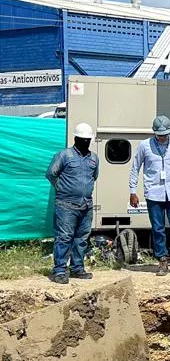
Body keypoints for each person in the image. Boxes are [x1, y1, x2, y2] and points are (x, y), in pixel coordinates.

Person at [128, 115, 170, 276]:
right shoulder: (145, 146)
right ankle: (162, 261)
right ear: (154, 133)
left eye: (165, 135)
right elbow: (135, 168)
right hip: (154, 194)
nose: (163, 138)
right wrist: (132, 191)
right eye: (160, 135)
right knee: (158, 229)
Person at [45, 121, 99, 284]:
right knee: (64, 237)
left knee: (82, 238)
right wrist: (62, 189)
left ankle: (77, 268)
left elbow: (94, 176)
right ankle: (60, 270)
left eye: (88, 139)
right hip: (66, 205)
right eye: (83, 139)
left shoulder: (94, 159)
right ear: (75, 139)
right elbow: (51, 174)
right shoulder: (64, 155)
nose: (85, 142)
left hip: (86, 205)